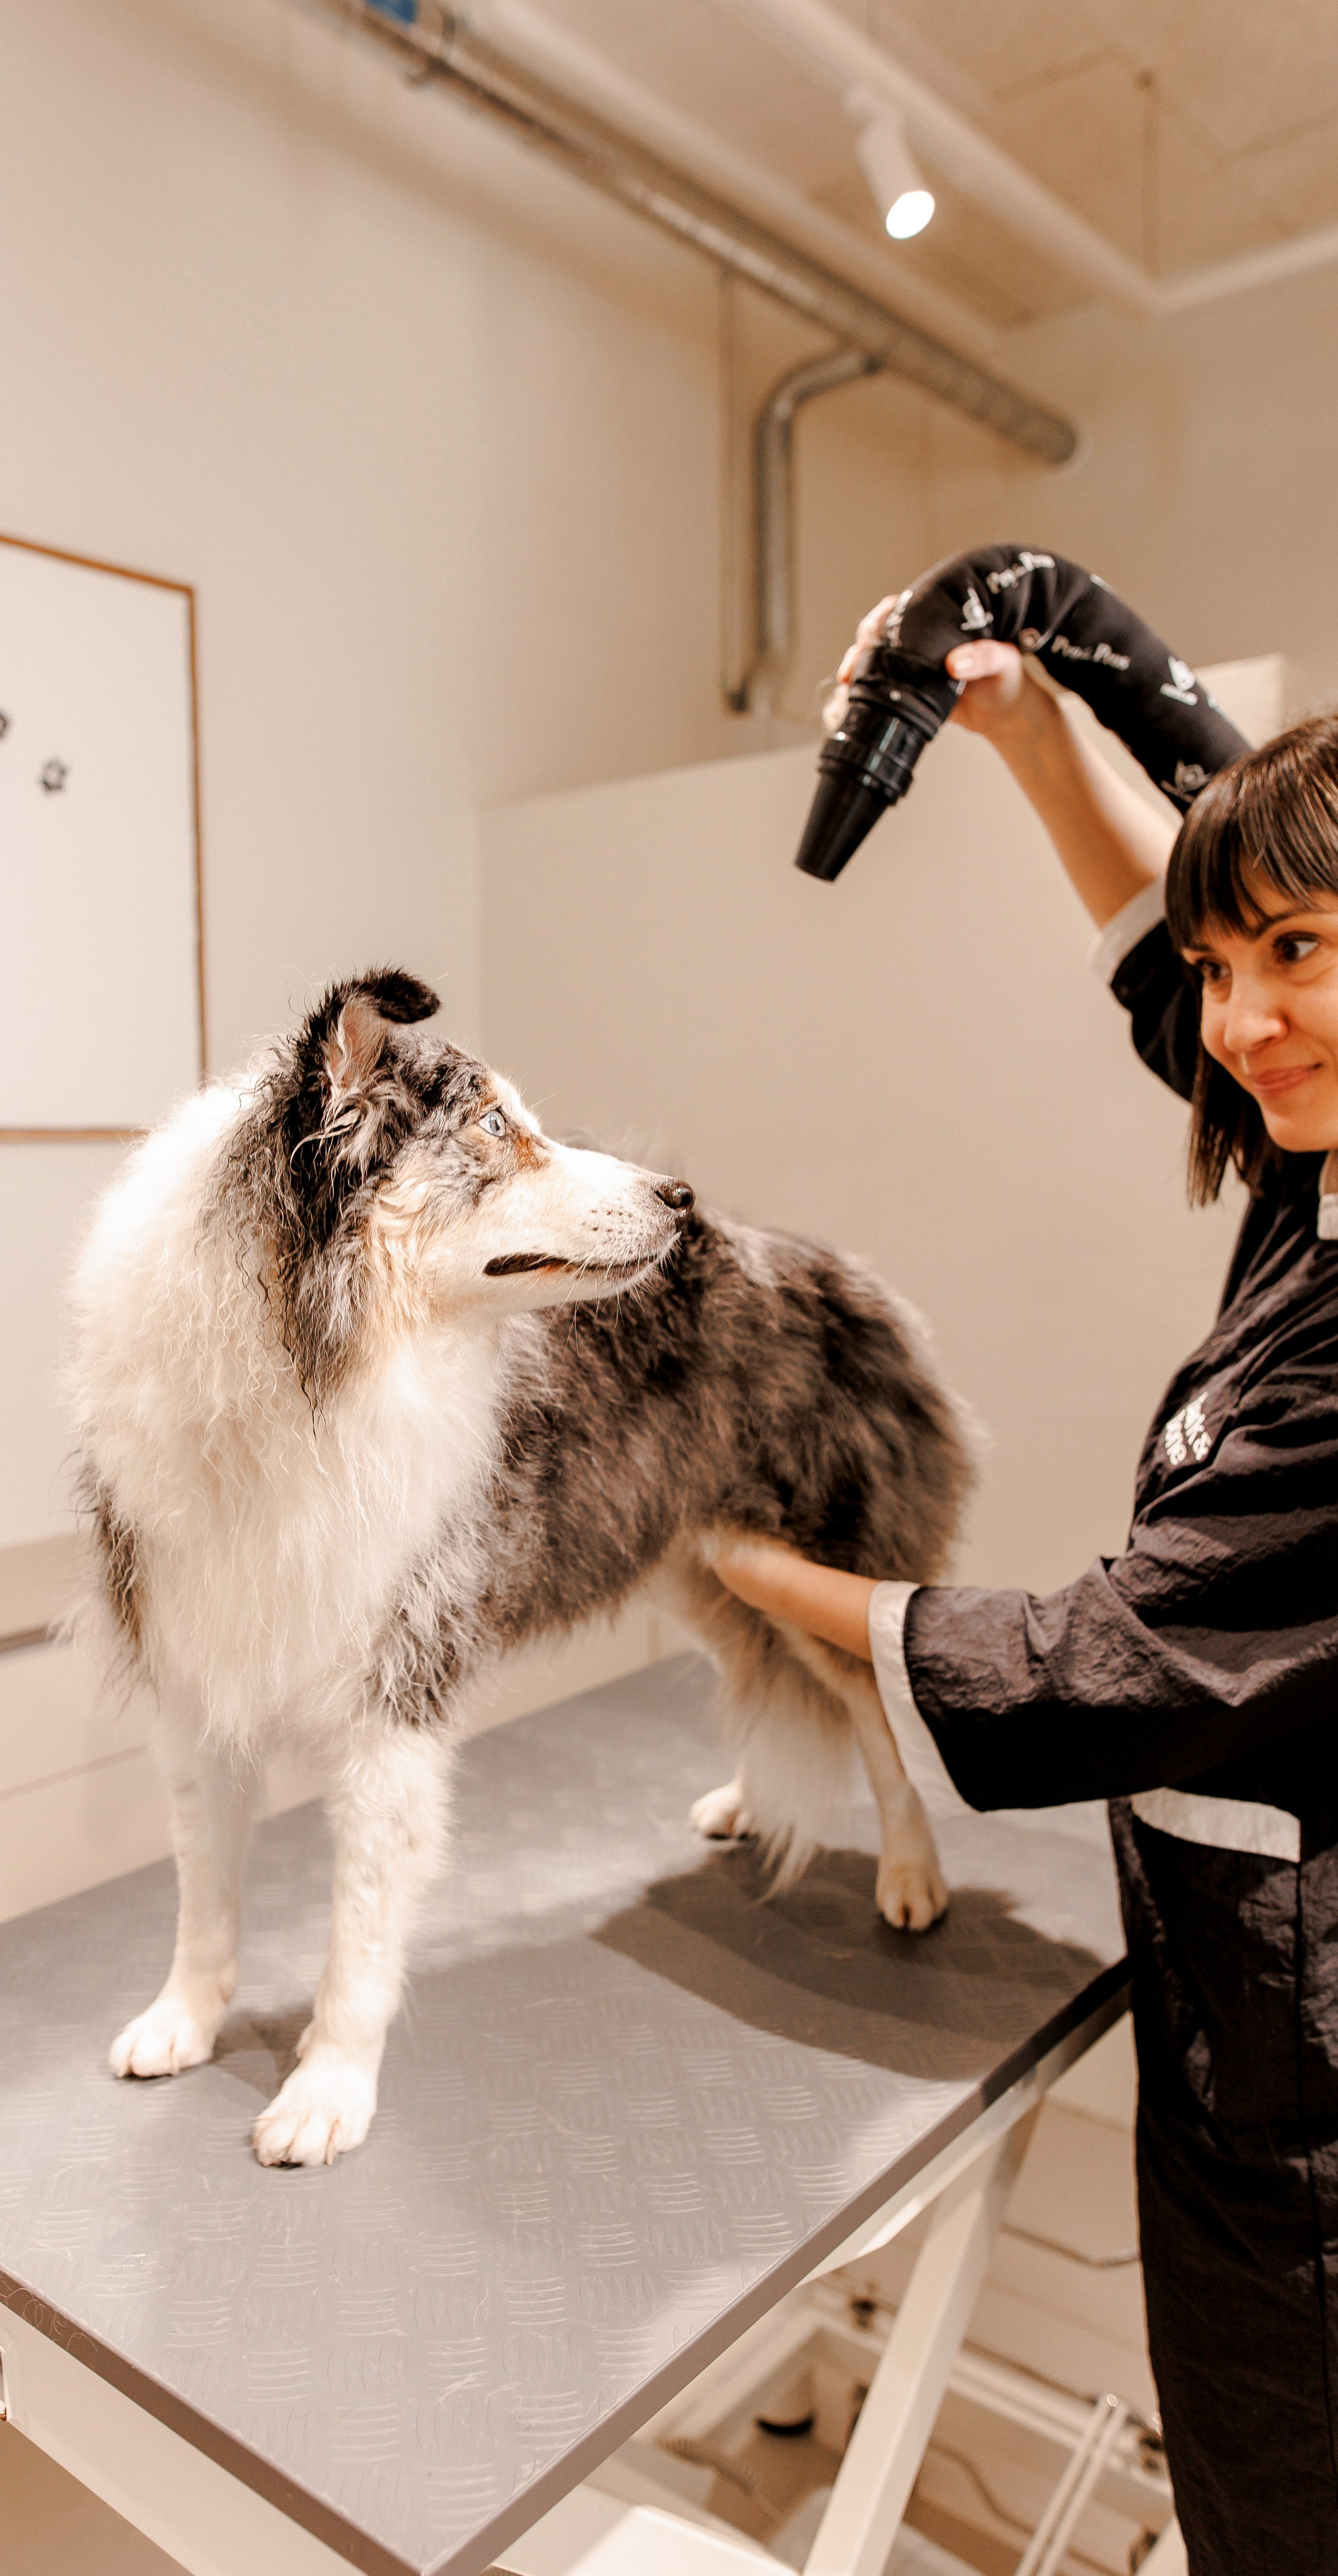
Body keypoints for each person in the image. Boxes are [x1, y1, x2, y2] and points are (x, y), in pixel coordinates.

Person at [713, 604, 1338, 2573]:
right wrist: (1027, 732)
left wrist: (750, 1564)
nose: (1239, 1021)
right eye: (1226, 966)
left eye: (1297, 953)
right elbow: (1172, 970)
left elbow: (1100, 1663)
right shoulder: (1316, 1170)